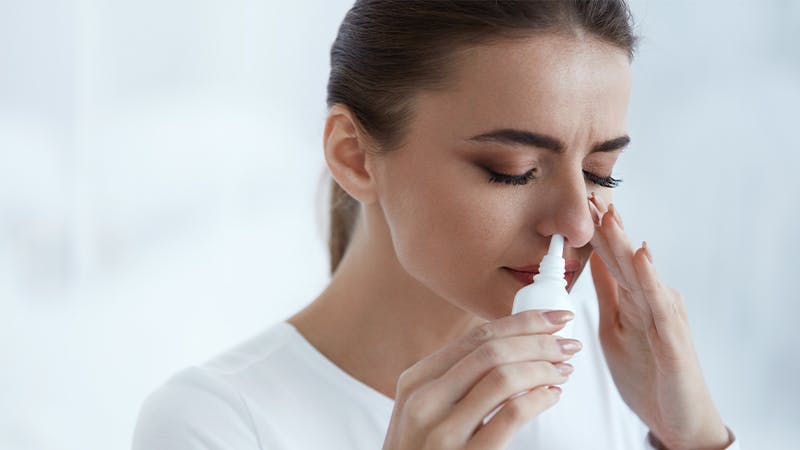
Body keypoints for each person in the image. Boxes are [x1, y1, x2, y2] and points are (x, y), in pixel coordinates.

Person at [133, 1, 740, 449]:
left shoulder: (606, 361)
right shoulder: (215, 423)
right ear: (354, 156)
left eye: (600, 173)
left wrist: (692, 436)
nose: (578, 224)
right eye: (514, 170)